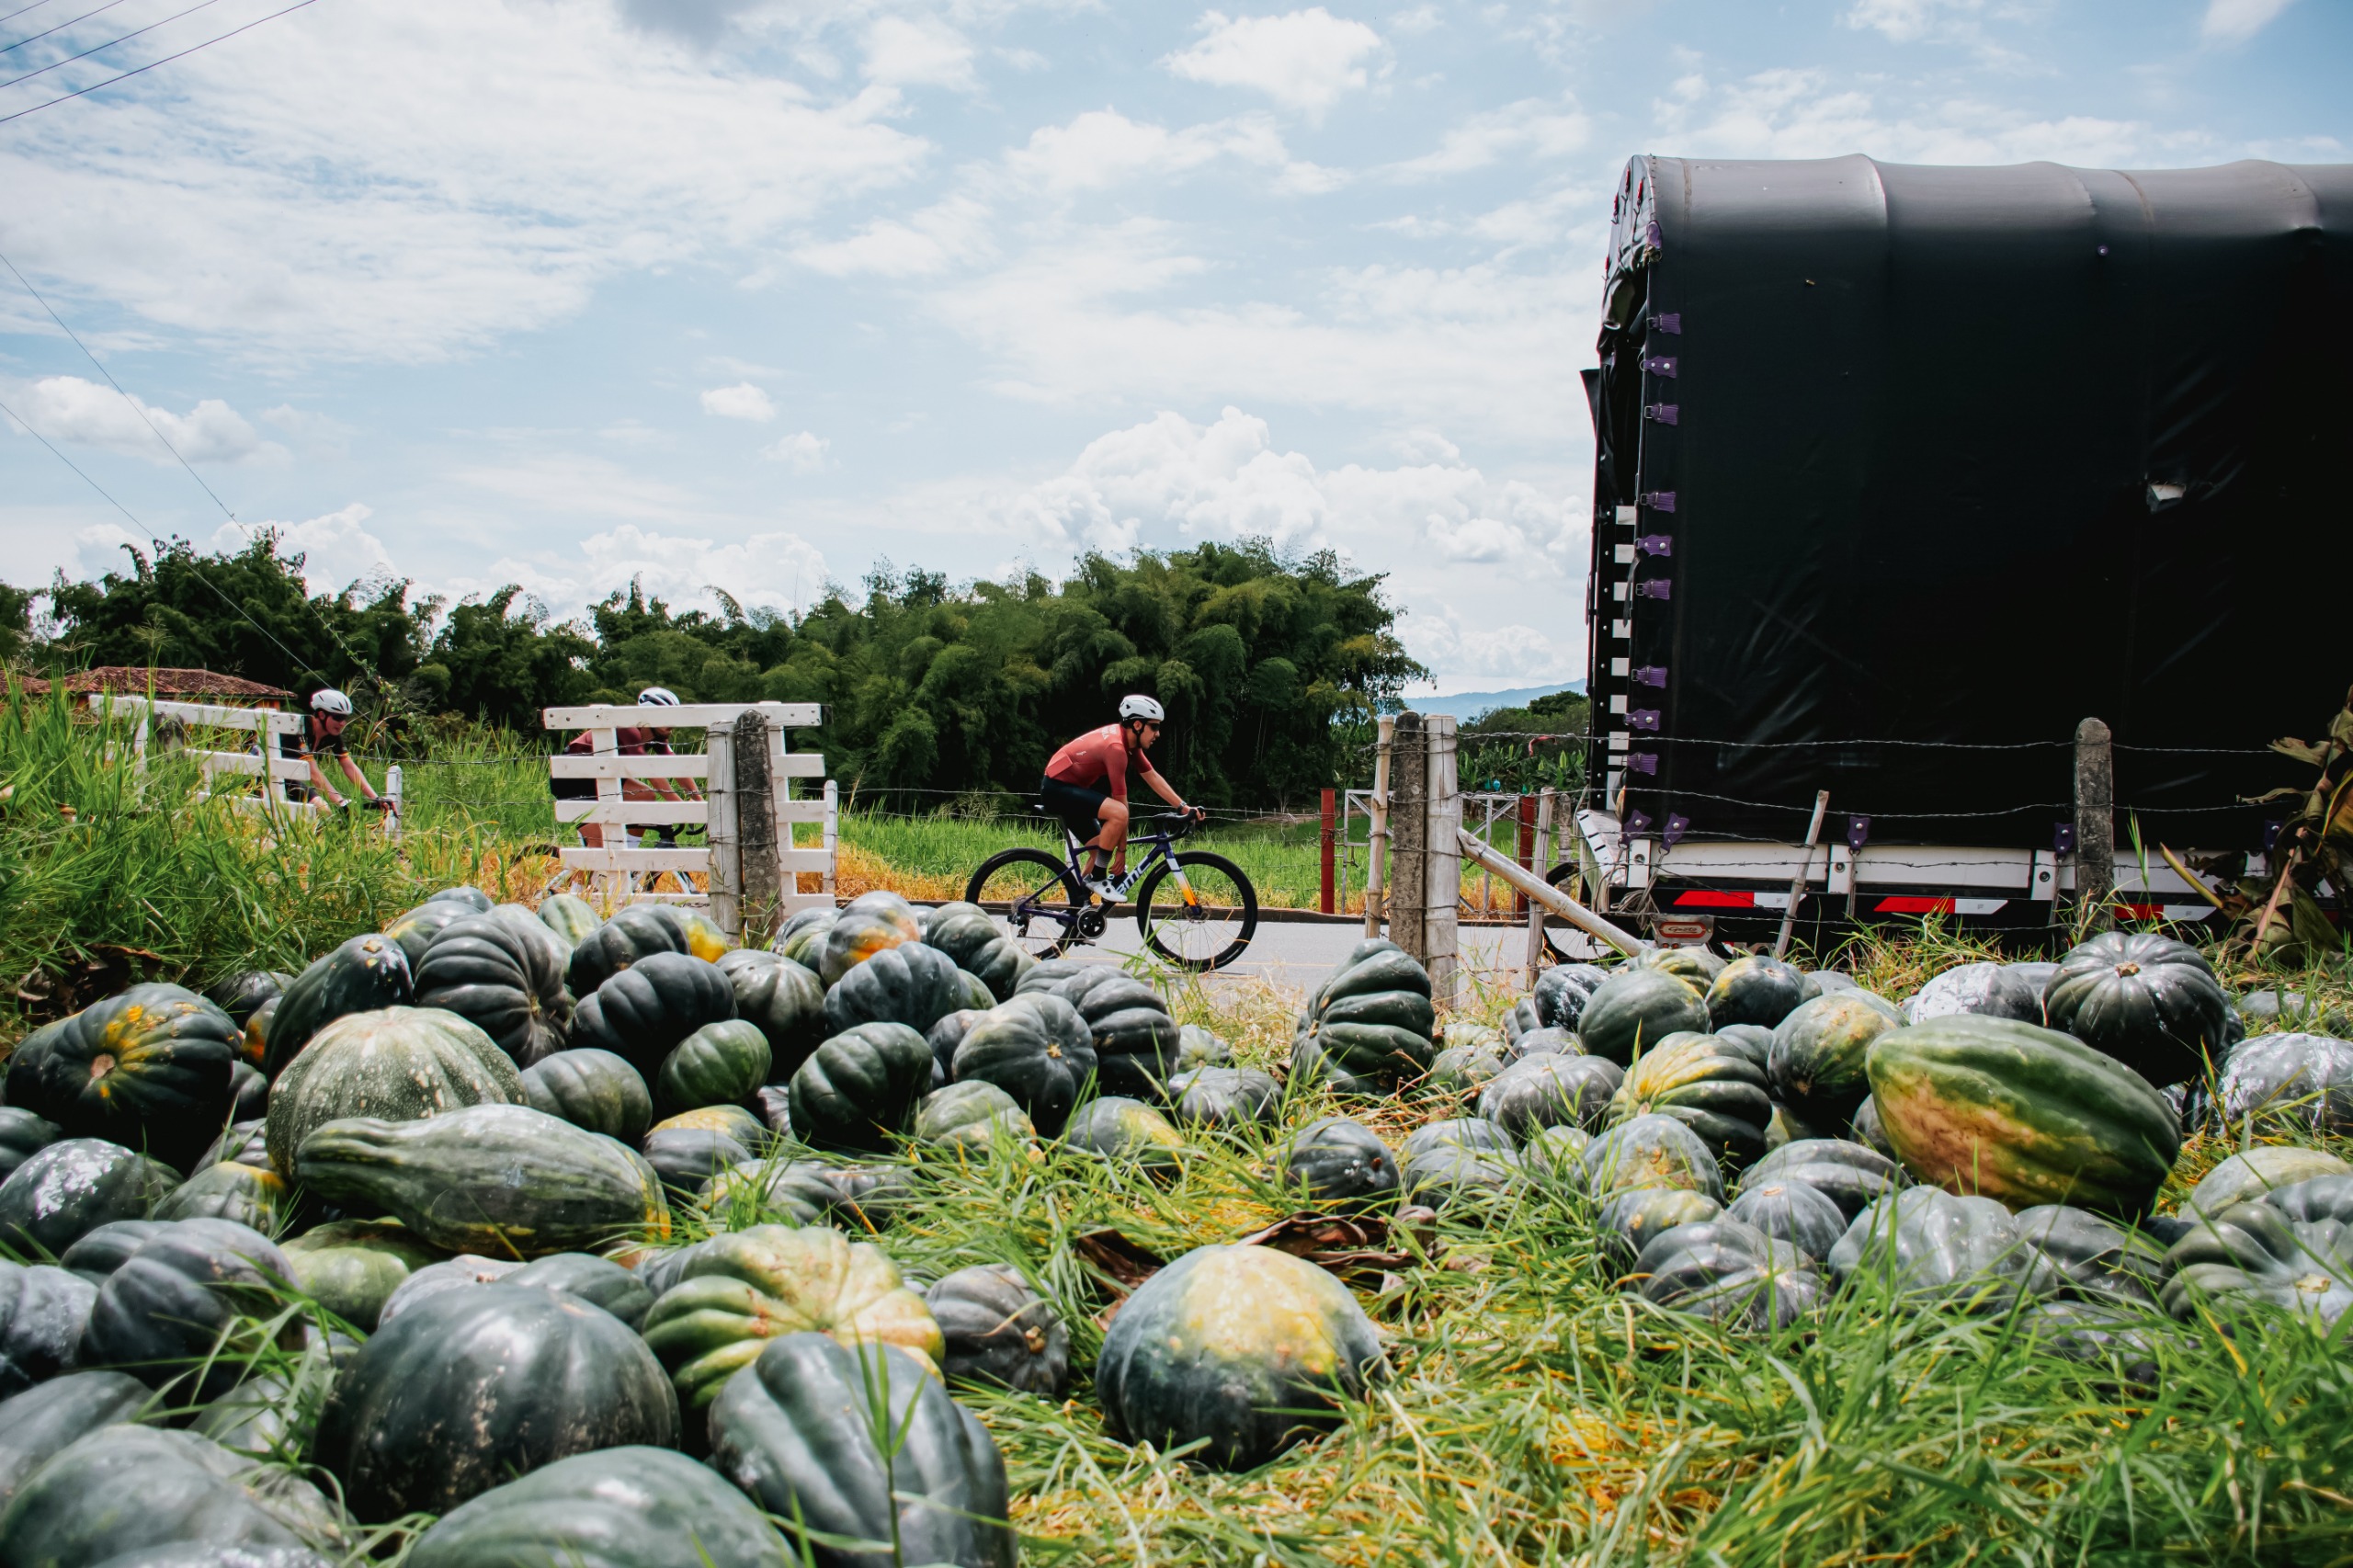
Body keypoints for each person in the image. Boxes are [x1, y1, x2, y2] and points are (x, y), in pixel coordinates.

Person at [1040, 694, 1203, 897]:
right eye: (1154, 727)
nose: (1158, 734)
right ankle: (1098, 878)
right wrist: (1121, 852)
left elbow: (1153, 777)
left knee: (1100, 848)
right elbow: (1121, 807)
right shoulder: (1116, 748)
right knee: (1117, 814)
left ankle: (1077, 904)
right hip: (1056, 789)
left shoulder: (1129, 744)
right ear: (1137, 725)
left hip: (1068, 790)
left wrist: (1184, 808)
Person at [552, 687, 702, 849]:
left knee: (645, 796)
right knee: (599, 843)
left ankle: (628, 855)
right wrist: (680, 807)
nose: (671, 723)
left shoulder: (656, 736)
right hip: (572, 781)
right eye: (665, 717)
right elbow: (650, 771)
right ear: (648, 716)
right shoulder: (629, 729)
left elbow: (677, 767)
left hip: (602, 776)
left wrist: (699, 803)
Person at [282, 689, 392, 815]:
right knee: (323, 810)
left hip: (288, 777)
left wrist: (376, 798)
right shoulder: (301, 728)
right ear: (322, 715)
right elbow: (314, 774)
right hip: (270, 774)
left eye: (344, 718)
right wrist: (340, 801)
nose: (342, 723)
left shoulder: (331, 734)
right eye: (338, 718)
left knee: (324, 811)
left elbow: (349, 766)